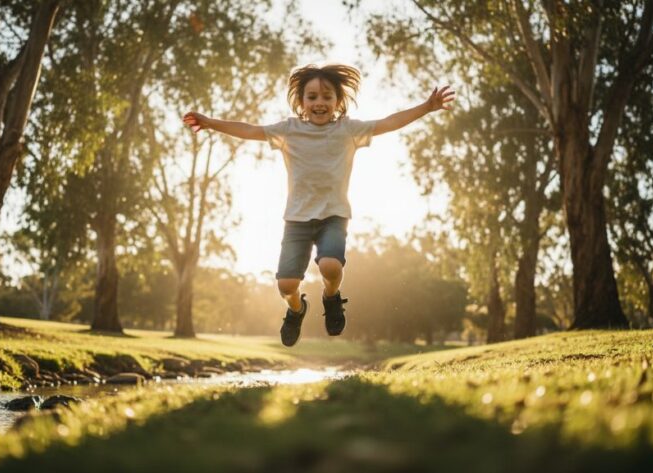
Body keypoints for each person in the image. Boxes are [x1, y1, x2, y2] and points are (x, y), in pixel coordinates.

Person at [182, 63, 454, 347]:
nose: (319, 103)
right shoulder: (288, 130)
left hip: (333, 216)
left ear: (338, 102)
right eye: (312, 97)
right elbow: (249, 130)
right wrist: (210, 122)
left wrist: (426, 106)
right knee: (286, 285)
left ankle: (331, 297)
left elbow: (388, 122)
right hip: (297, 220)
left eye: (327, 97)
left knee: (330, 266)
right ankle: (296, 310)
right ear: (301, 102)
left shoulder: (348, 130)